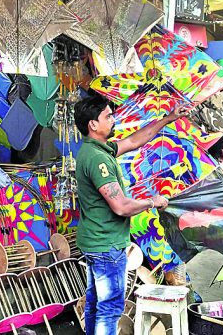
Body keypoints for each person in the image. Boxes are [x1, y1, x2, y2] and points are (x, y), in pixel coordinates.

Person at [73, 92, 189, 335]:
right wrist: (151, 202)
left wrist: (168, 119)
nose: (113, 120)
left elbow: (135, 141)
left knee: (95, 303)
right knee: (110, 307)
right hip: (106, 245)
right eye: (109, 116)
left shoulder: (98, 150)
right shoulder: (97, 159)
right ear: (93, 124)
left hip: (96, 242)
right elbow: (121, 207)